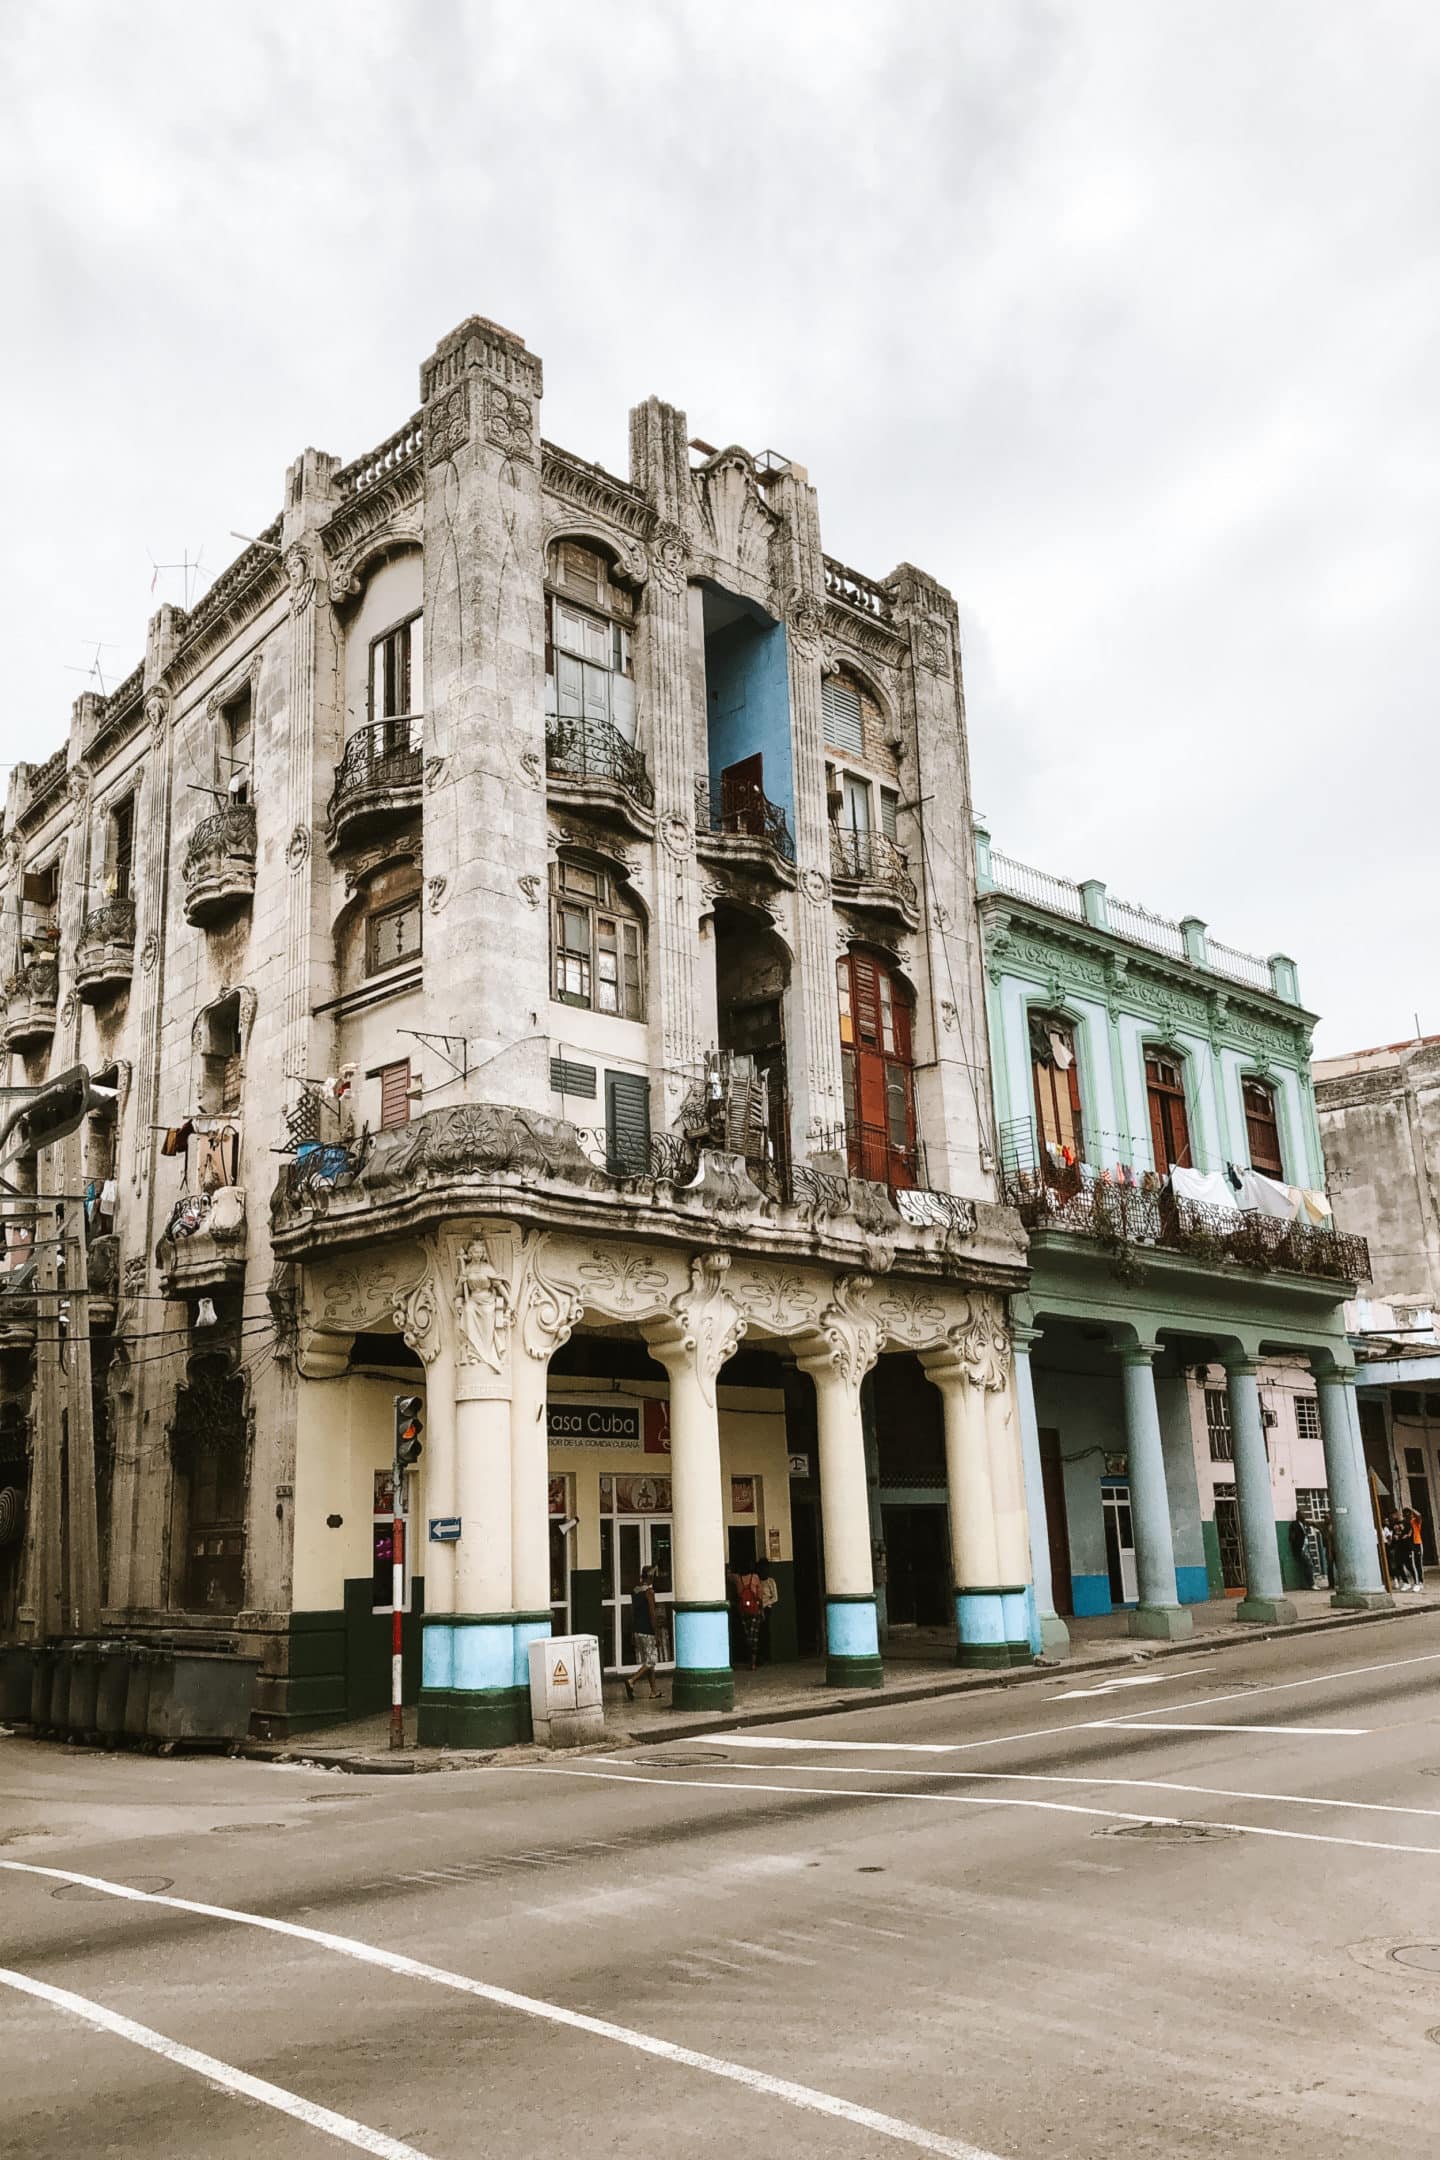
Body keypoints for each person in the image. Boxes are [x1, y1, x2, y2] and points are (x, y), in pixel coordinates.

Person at [624, 1565, 663, 1701]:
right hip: (648, 1631)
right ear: (650, 1577)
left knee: (648, 1662)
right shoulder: (649, 1592)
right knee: (651, 1661)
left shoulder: (635, 1591)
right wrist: (657, 1633)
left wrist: (632, 1632)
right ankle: (631, 1681)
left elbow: (632, 1612)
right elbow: (652, 1614)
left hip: (637, 1631)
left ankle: (654, 1691)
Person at [734, 1560, 764, 1671]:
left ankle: (748, 1660)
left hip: (743, 1611)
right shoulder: (755, 1578)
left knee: (747, 1636)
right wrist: (762, 1610)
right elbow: (760, 1596)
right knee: (754, 1637)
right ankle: (753, 1663)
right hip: (754, 1611)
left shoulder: (737, 1579)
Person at [1407, 1508, 1426, 1592]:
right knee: (1413, 1564)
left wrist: (1411, 1509)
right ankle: (1417, 1582)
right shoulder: (1407, 1522)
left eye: (1410, 1514)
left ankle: (1419, 1582)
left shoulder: (1415, 1521)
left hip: (1417, 1543)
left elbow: (1419, 1515)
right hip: (1410, 1544)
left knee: (1418, 1564)